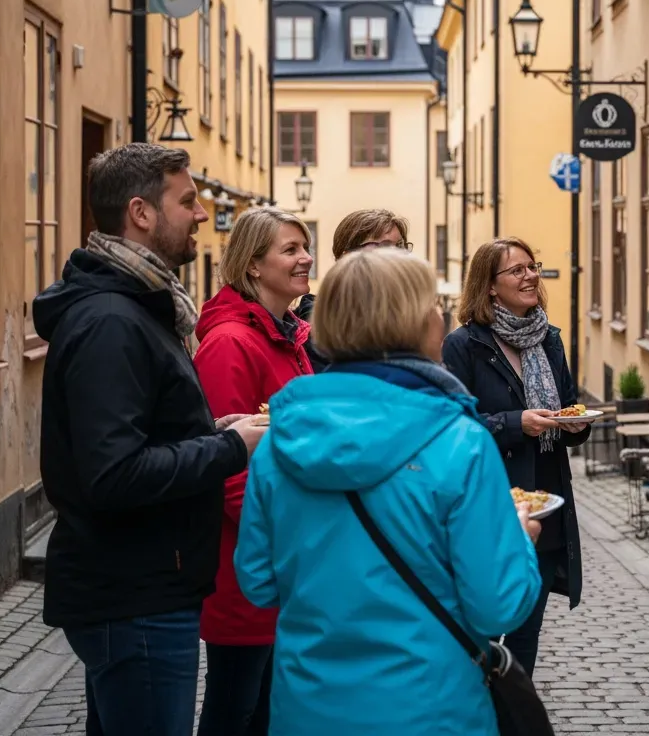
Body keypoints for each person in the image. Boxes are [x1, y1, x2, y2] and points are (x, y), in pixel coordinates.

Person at [234, 248, 542, 734]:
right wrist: (521, 541)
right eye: (432, 307)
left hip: (310, 708)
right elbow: (497, 604)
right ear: (418, 323)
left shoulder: (282, 443)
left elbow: (257, 582)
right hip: (431, 707)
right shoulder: (458, 441)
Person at [33, 143, 268, 736]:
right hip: (134, 592)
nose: (199, 214)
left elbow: (140, 435)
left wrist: (216, 430)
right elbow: (113, 474)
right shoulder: (111, 320)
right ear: (141, 213)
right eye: (187, 201)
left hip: (144, 584)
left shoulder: (140, 308)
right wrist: (230, 449)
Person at [442, 238, 590, 676]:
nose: (530, 276)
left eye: (533, 266)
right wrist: (514, 423)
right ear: (489, 286)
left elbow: (566, 406)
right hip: (490, 502)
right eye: (517, 270)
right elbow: (456, 426)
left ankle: (515, 715)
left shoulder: (549, 338)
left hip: (545, 502)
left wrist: (575, 425)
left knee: (527, 629)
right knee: (481, 628)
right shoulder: (464, 345)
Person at [193, 207, 315, 736]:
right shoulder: (230, 344)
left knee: (269, 712)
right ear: (253, 265)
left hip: (284, 561)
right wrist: (290, 541)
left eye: (304, 247)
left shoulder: (286, 337)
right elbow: (227, 468)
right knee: (233, 711)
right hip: (250, 567)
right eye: (290, 250)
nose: (306, 258)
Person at [292, 208, 411, 372]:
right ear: (346, 256)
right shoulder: (320, 323)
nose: (397, 255)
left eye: (400, 246)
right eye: (384, 246)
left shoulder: (403, 315)